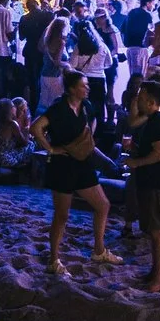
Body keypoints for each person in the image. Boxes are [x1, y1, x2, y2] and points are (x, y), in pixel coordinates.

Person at [32, 70, 113, 277]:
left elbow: (91, 126)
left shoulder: (86, 106)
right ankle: (53, 260)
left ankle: (99, 250)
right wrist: (51, 149)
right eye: (82, 85)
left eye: (86, 85)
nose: (87, 88)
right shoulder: (58, 108)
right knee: (62, 215)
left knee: (102, 205)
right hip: (63, 165)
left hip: (83, 162)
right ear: (71, 89)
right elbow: (36, 128)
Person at [124, 80, 160, 293]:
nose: (138, 101)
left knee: (158, 232)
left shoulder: (158, 122)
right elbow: (133, 122)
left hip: (156, 182)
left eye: (142, 98)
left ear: (151, 101)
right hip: (151, 181)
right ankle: (156, 273)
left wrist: (136, 162)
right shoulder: (152, 119)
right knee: (153, 230)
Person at [0, 96, 34, 178]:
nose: (15, 108)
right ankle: (24, 168)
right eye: (13, 106)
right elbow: (24, 142)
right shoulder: (12, 124)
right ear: (9, 110)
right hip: (4, 159)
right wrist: (27, 126)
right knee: (31, 145)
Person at [121, 0, 155, 86]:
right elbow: (151, 31)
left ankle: (132, 95)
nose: (153, 6)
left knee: (133, 75)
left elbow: (122, 29)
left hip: (130, 48)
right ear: (148, 3)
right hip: (141, 48)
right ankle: (137, 97)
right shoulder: (147, 15)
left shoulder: (131, 13)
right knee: (140, 76)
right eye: (153, 3)